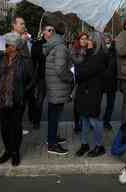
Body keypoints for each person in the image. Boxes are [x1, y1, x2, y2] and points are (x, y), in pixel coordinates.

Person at [0, 33, 33, 166]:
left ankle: (15, 152)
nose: (4, 47)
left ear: (15, 47)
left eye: (7, 45)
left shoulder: (25, 61)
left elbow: (32, 80)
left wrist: (23, 92)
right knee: (4, 128)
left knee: (15, 128)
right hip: (2, 99)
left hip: (17, 100)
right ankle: (7, 151)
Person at [42, 12, 74, 155]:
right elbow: (61, 69)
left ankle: (52, 138)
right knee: (54, 115)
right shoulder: (60, 46)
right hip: (58, 86)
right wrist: (70, 77)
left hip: (52, 86)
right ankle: (52, 145)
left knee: (53, 115)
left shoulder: (52, 45)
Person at [74, 32, 107, 157]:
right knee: (84, 118)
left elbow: (82, 73)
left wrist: (77, 71)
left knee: (94, 119)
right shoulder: (89, 54)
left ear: (94, 42)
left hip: (93, 92)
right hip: (85, 91)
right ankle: (84, 144)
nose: (86, 41)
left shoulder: (98, 56)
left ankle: (99, 146)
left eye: (89, 39)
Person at [71, 32, 89, 133]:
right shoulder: (74, 49)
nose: (84, 41)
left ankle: (85, 122)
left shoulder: (90, 49)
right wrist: (83, 54)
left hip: (87, 79)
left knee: (86, 101)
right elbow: (76, 61)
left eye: (85, 39)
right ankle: (77, 123)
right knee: (77, 102)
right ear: (78, 40)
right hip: (77, 79)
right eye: (82, 39)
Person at [102, 33, 117, 130]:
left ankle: (106, 121)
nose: (107, 40)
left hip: (112, 81)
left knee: (110, 104)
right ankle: (93, 121)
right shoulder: (99, 50)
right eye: (105, 38)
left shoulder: (114, 50)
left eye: (108, 38)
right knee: (96, 103)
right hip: (101, 80)